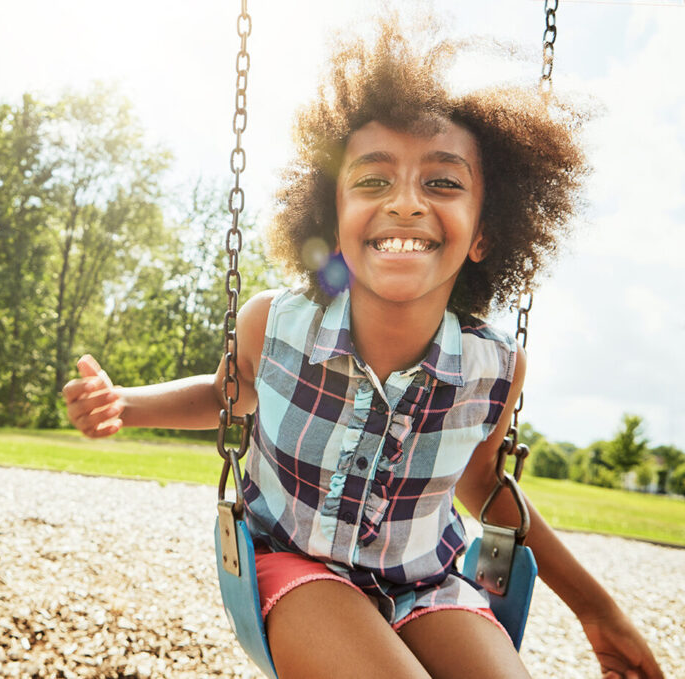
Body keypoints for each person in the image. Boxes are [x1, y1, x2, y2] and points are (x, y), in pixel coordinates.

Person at [62, 19, 664, 679]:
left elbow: (486, 483)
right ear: (335, 219)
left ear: (485, 232)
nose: (405, 202)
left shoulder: (494, 368)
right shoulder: (277, 323)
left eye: (442, 182)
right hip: (293, 561)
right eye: (373, 181)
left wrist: (597, 609)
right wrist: (126, 403)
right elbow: (224, 394)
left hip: (425, 583)